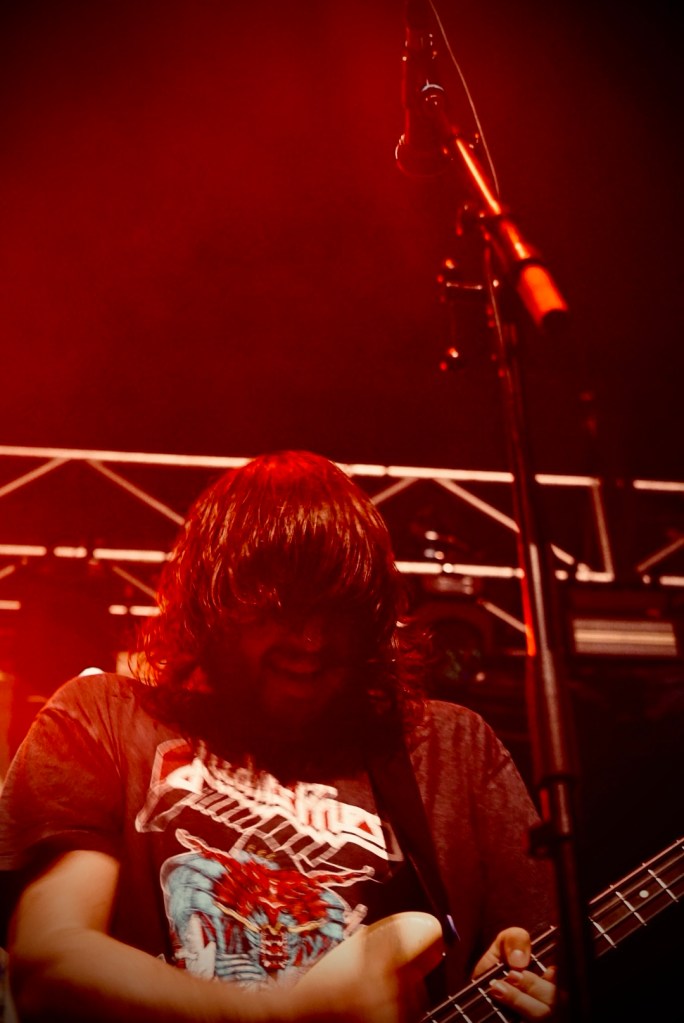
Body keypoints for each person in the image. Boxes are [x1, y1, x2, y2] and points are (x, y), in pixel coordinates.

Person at [0, 450, 557, 1022]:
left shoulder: (452, 748)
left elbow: (541, 955)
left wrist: (538, 992)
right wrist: (284, 1017)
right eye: (280, 607)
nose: (311, 641)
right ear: (214, 602)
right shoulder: (105, 717)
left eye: (338, 612)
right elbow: (53, 963)